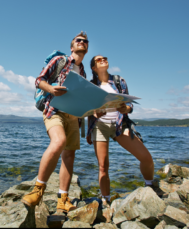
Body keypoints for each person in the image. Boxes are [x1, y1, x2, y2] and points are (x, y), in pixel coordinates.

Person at [22, 32, 89, 212]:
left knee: (69, 155)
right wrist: (51, 88)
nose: (82, 42)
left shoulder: (83, 71)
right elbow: (39, 80)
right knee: (58, 142)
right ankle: (38, 190)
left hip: (74, 116)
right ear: (72, 46)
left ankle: (63, 198)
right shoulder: (60, 60)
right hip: (54, 109)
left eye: (85, 41)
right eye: (78, 40)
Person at [86, 55, 155, 208]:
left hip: (120, 124)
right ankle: (106, 199)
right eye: (99, 59)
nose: (103, 59)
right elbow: (88, 110)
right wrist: (94, 116)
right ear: (93, 67)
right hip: (100, 127)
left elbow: (129, 104)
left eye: (105, 58)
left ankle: (150, 187)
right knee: (103, 166)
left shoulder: (118, 80)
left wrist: (126, 108)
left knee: (146, 158)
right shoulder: (91, 85)